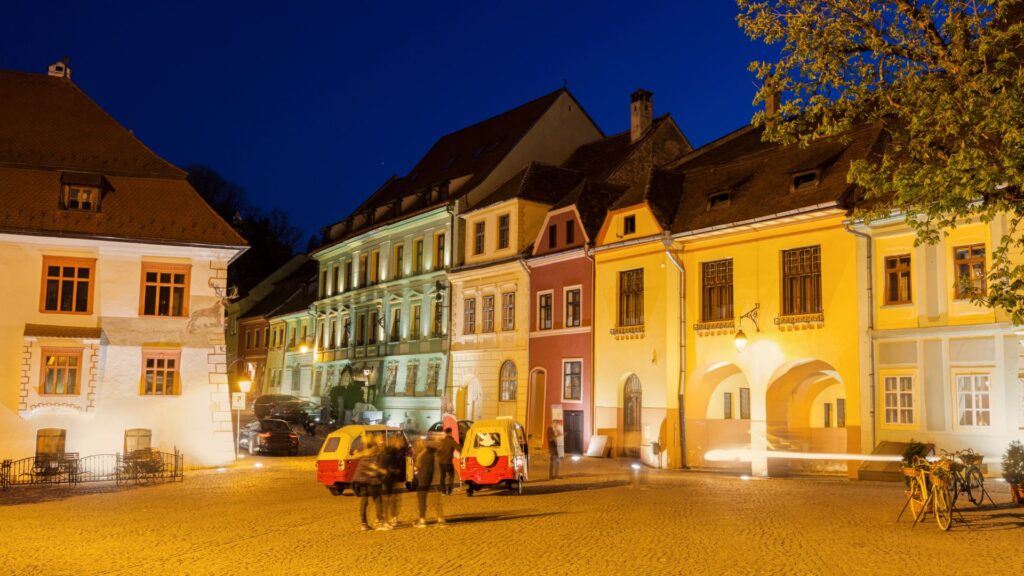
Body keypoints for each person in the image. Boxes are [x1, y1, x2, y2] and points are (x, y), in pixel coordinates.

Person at [353, 436, 388, 531]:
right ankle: (380, 522)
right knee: (377, 500)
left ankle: (364, 524)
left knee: (365, 501)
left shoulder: (363, 454)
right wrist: (381, 471)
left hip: (361, 481)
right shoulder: (372, 456)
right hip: (368, 481)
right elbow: (373, 469)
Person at [413, 437, 445, 527]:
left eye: (420, 442)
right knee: (435, 501)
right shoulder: (431, 454)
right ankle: (439, 518)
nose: (418, 445)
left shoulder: (425, 455)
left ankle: (423, 520)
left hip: (426, 481)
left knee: (424, 500)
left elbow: (425, 470)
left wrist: (417, 474)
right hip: (432, 480)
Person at [381, 433, 407, 526]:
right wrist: (394, 470)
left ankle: (394, 517)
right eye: (400, 441)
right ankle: (386, 518)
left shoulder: (402, 452)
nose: (402, 443)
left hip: (398, 478)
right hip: (390, 478)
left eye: (402, 441)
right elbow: (387, 464)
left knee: (396, 499)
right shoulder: (391, 452)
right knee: (390, 499)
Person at [436, 427, 458, 496]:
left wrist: (439, 457)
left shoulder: (442, 441)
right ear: (450, 433)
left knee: (442, 477)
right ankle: (449, 491)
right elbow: (459, 448)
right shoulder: (451, 441)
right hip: (448, 462)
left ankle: (443, 492)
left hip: (441, 462)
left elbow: (438, 451)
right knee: (451, 475)